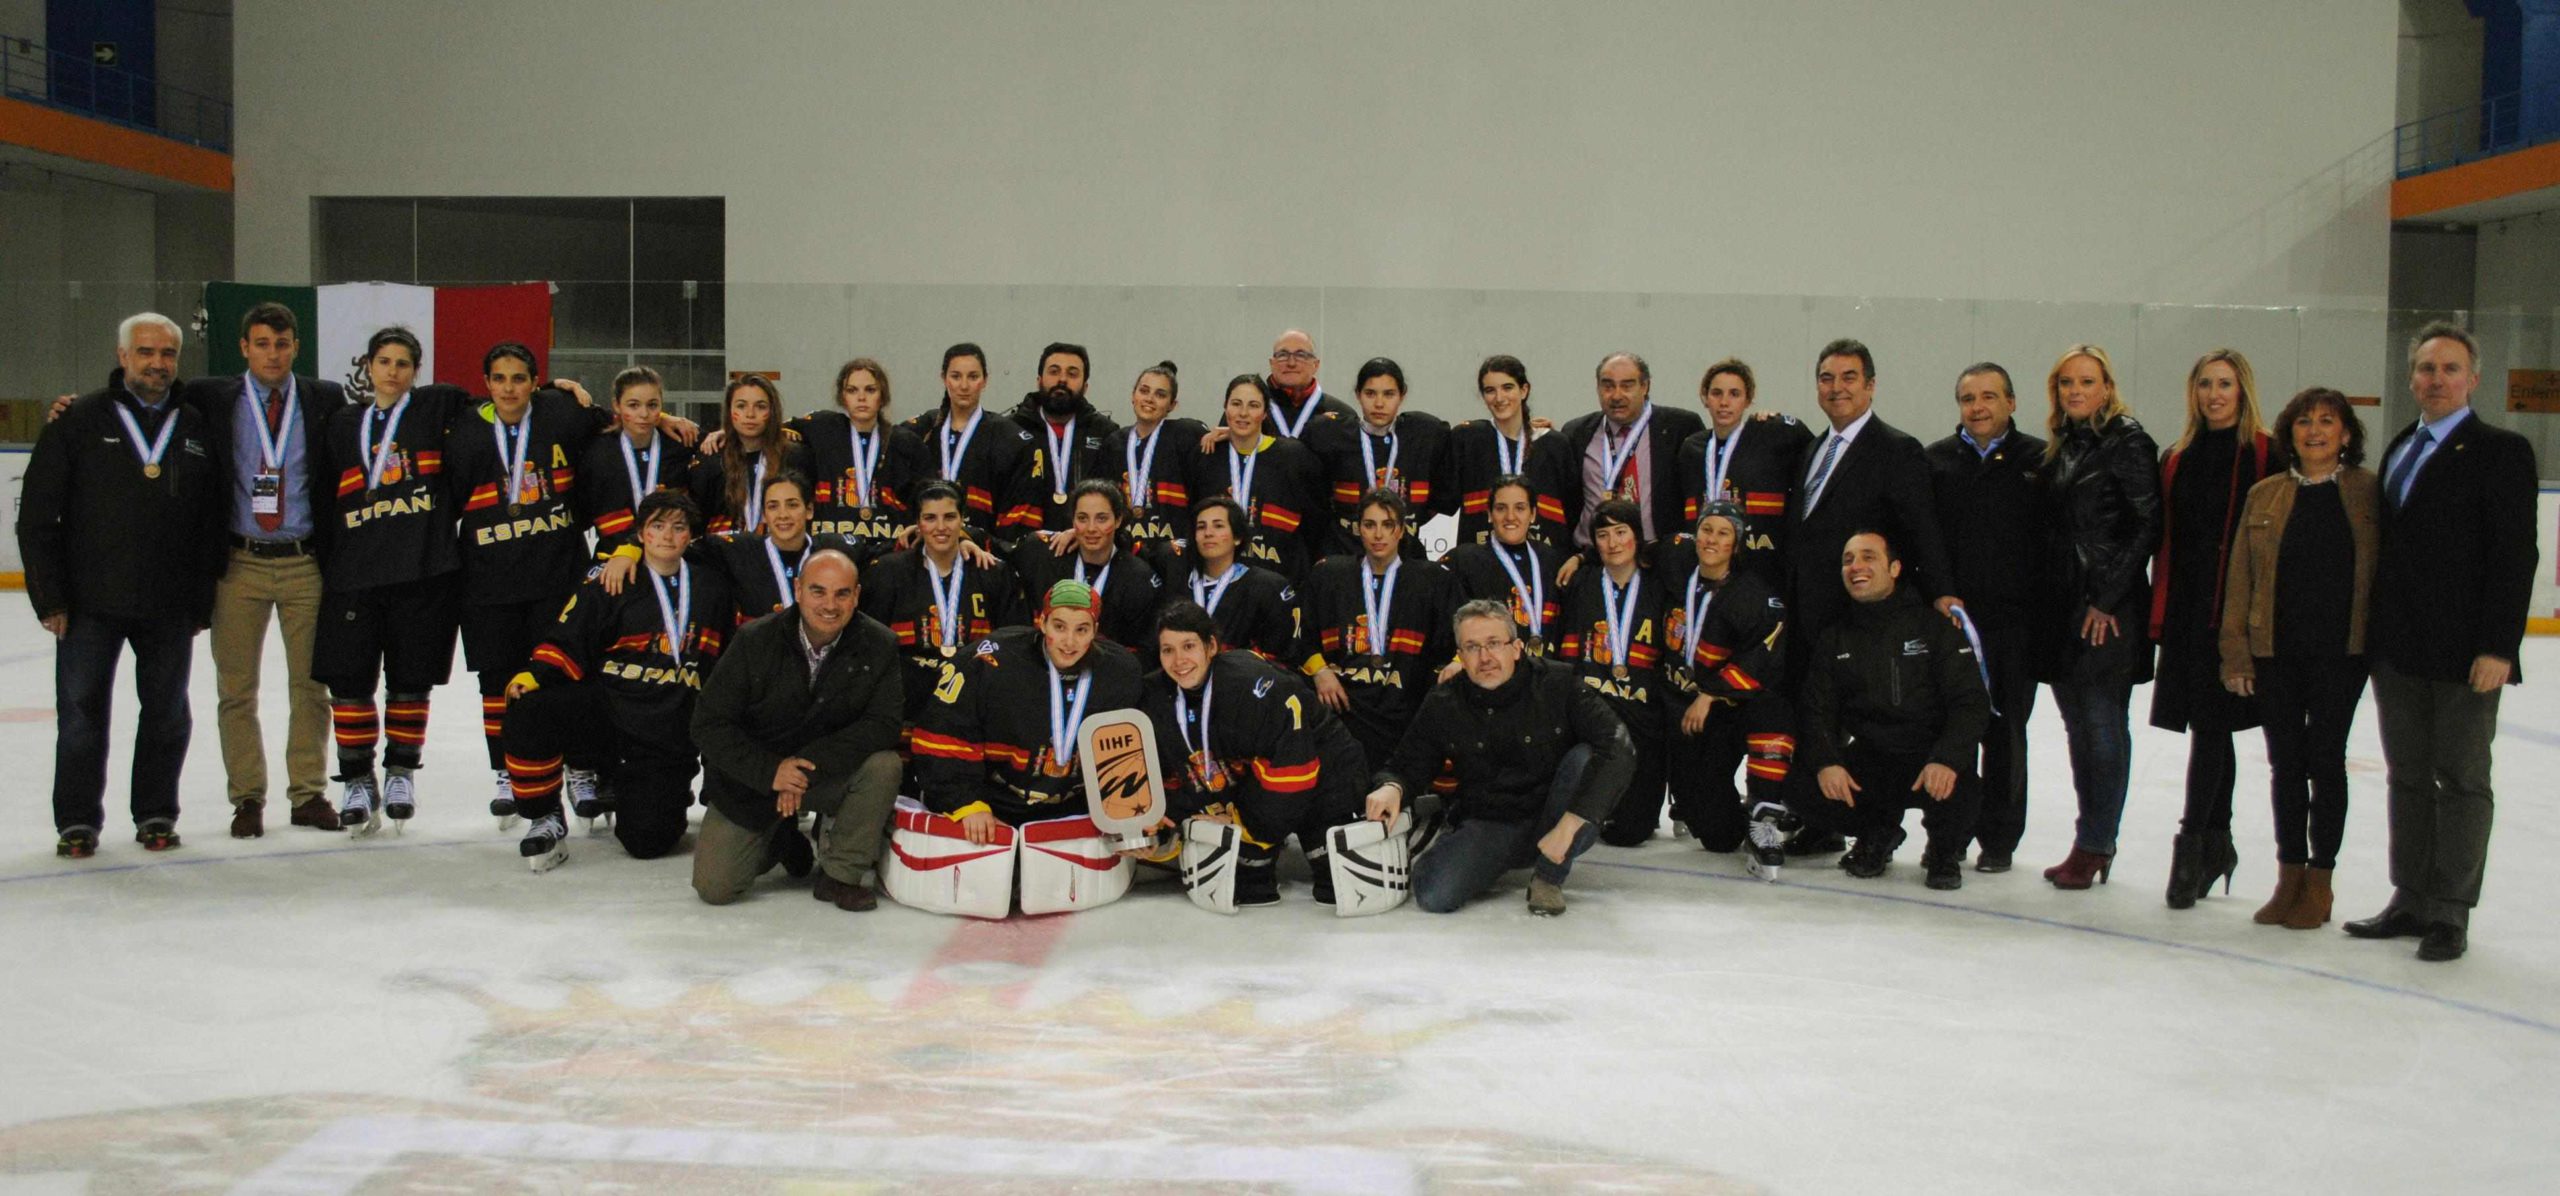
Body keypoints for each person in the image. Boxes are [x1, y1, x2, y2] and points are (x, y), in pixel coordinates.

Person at [2345, 322, 2540, 962]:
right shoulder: (2403, 444)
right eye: (2426, 369)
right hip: (2398, 651)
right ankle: (2410, 897)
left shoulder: (2501, 451)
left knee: (2460, 778)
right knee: (2406, 775)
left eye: (2450, 369)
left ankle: (2450, 910)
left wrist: (2498, 647)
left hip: (2465, 655)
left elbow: (2515, 558)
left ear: (2473, 379)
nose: (2436, 380)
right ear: (2411, 378)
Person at [19, 312, 227, 857]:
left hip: (169, 603)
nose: (158, 364)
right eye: (146, 353)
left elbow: (211, 521)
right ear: (122, 356)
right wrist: (50, 597)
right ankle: (77, 821)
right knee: (82, 714)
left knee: (166, 712)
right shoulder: (78, 419)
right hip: (89, 603)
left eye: (168, 355)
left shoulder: (197, 423)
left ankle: (157, 813)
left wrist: (201, 599)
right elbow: (38, 517)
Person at [2217, 387, 2380, 931]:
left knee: (2325, 761)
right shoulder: (2264, 496)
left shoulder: (2368, 493)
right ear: (2289, 435)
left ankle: (2320, 881)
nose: (2314, 431)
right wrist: (2236, 652)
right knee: (2286, 763)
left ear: (2347, 434)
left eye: (2327, 422)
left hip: (2342, 653)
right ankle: (2288, 877)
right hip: (2276, 652)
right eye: (2304, 422)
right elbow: (2240, 579)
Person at [500, 491, 734, 867]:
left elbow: (727, 658)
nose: (667, 536)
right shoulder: (611, 578)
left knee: (647, 841)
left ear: (690, 535)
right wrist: (535, 673)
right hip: (611, 710)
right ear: (640, 534)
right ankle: (544, 816)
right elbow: (571, 634)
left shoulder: (713, 586)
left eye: (678, 527)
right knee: (529, 707)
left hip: (668, 728)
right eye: (657, 526)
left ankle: (643, 790)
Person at [185, 301, 348, 838]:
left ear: (296, 347)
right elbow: (146, 399)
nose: (272, 354)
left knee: (311, 685)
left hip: (305, 562)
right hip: (239, 563)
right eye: (262, 344)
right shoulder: (212, 398)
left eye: (282, 345)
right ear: (244, 348)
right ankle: (247, 798)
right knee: (237, 689)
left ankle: (307, 793)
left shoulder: (324, 398)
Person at [1363, 599, 1636, 916]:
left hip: (1555, 813)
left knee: (1587, 758)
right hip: (1491, 821)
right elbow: (1407, 764)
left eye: (1494, 644)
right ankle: (1472, 845)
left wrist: (1569, 826)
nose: (1485, 657)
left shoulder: (1558, 683)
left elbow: (1619, 745)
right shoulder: (1444, 702)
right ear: (1460, 656)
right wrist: (1391, 787)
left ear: (1517, 648)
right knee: (1434, 895)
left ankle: (1549, 875)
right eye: (1472, 647)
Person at [449, 346, 618, 824]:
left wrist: (666, 418)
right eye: (499, 378)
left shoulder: (561, 412)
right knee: (497, 681)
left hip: (556, 576)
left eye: (519, 378)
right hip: (489, 581)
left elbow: (621, 420)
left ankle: (579, 768)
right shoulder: (463, 427)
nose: (509, 388)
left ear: (536, 380)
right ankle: (505, 770)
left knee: (567, 672)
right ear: (485, 381)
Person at [313, 327, 469, 835]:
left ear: (416, 371)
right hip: (356, 574)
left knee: (410, 680)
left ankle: (401, 770)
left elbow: (507, 405)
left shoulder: (436, 407)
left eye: (403, 363)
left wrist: (570, 391)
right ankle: (357, 778)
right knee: (350, 680)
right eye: (384, 361)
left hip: (422, 572)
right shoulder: (342, 423)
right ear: (368, 366)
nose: (393, 371)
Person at [691, 548, 906, 910]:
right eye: (818, 591)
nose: (830, 605)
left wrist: (803, 766)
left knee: (884, 765)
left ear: (856, 595)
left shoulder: (880, 643)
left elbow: (883, 724)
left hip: (824, 773)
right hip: (753, 780)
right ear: (798, 590)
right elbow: (708, 724)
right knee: (716, 888)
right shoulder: (754, 640)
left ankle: (839, 875)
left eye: (842, 593)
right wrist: (771, 772)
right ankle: (777, 841)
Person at [2032, 344, 2163, 890]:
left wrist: (2107, 599)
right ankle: (2089, 838)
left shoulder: (2127, 442)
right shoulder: (2064, 444)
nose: (2076, 391)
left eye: (2086, 381)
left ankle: (2096, 843)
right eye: (2066, 383)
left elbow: (2146, 524)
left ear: (2107, 387)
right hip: (2065, 608)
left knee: (2103, 729)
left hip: (2107, 612)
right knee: (2078, 729)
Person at [2149, 350, 2276, 909]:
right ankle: (2214, 843)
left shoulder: (2268, 453)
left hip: (2240, 616)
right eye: (2205, 383)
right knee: (2209, 726)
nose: (2215, 394)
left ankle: (2192, 843)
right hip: (2187, 612)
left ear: (2242, 389)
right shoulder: (2176, 457)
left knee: (2212, 727)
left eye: (2225, 384)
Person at [1145, 603, 1368, 906]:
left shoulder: (1250, 688)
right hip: (1262, 778)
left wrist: (1240, 821)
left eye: (1188, 646)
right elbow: (1192, 770)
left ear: (1211, 646)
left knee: (1345, 888)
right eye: (1167, 650)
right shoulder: (1157, 695)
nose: (1178, 660)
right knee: (1242, 888)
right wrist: (1166, 822)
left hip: (1327, 770)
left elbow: (1293, 776)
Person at [1923, 362, 2046, 873]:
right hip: (1952, 625)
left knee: (2005, 734)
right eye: (1968, 398)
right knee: (1951, 731)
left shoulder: (2039, 460)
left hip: (2014, 628)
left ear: (2011, 403)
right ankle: (1946, 835)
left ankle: (1999, 839)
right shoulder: (1936, 462)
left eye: (1989, 397)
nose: (1978, 407)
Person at [1782, 339, 1958, 685]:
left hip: (1859, 618)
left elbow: (1922, 529)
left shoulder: (1898, 450)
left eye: (1848, 377)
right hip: (1803, 620)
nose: (1836, 388)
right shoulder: (1812, 450)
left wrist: (1941, 591)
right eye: (1826, 378)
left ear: (1870, 385)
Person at [913, 580, 1146, 836]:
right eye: (1059, 627)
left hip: (1073, 810)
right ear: (1043, 622)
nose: (1070, 642)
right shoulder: (993, 660)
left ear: (1095, 631)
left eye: (1082, 630)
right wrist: (966, 802)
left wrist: (1129, 816)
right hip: (995, 804)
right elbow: (945, 723)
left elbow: (1128, 756)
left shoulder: (1121, 672)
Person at [1660, 503, 1793, 876]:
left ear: (1736, 543)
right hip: (1689, 709)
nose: (1711, 539)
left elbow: (1765, 657)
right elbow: (1631, 548)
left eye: (1723, 532)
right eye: (1706, 529)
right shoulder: (1676, 561)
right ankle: (1734, 814)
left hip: (1733, 706)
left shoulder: (1754, 595)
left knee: (1774, 710)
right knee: (1718, 836)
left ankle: (1764, 811)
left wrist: (1712, 693)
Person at [1297, 489, 1460, 773]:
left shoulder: (1430, 580)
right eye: (1369, 525)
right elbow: (1300, 635)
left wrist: (1457, 664)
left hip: (1404, 708)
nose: (1378, 534)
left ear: (1401, 530)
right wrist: (1320, 672)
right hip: (1344, 709)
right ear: (1358, 529)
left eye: (1387, 525)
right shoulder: (1328, 576)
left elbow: (1463, 634)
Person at [856, 481, 1026, 743]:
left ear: (963, 520)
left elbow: (1015, 644)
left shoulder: (992, 573)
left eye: (949, 517)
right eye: (930, 518)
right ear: (918, 524)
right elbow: (870, 648)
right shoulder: (888, 574)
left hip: (974, 705)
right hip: (906, 706)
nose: (941, 527)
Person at [1555, 499, 1673, 846]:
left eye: (1621, 532)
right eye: (1603, 535)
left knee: (1630, 833)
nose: (1613, 543)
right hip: (1595, 711)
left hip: (1644, 716)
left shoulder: (1658, 584)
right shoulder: (1583, 582)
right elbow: (1569, 653)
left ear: (1637, 536)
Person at [1676, 358, 1811, 581]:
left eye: (1734, 394)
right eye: (1716, 393)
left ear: (1748, 400)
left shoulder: (1772, 436)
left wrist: (1782, 421)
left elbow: (1812, 451)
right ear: (1705, 397)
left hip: (1760, 566)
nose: (1724, 402)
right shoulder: (1692, 448)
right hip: (1708, 566)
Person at [1555, 352, 1705, 551]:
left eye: (1627, 386)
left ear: (1645, 386)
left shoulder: (1681, 427)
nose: (1616, 395)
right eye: (1608, 386)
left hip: (1658, 556)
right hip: (1594, 556)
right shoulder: (1576, 432)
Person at [906, 342, 1044, 550]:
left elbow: (1017, 529)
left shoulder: (1011, 439)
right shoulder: (920, 432)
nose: (964, 386)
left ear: (985, 380)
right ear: (943, 378)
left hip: (981, 556)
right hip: (922, 550)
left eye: (973, 377)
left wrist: (984, 543)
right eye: (956, 376)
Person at [1310, 357, 1450, 556]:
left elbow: (1443, 494)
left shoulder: (1426, 433)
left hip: (1405, 554)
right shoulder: (1331, 433)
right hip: (1346, 551)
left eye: (1389, 394)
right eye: (1370, 393)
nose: (1379, 403)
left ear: (1402, 395)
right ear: (1358, 395)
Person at [1009, 479, 1165, 656]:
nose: (1091, 528)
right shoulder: (1044, 553)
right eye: (1082, 518)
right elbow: (997, 554)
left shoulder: (1139, 578)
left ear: (1118, 520)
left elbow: (1145, 652)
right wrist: (969, 542)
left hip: (1104, 678)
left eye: (1101, 518)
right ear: (1072, 520)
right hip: (1043, 673)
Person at [1201, 374, 1330, 583]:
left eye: (1253, 405)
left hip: (1280, 581)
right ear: (1225, 408)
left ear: (1265, 412)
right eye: (1236, 404)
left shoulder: (1293, 457)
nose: (1243, 413)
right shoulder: (1209, 455)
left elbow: (1316, 521)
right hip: (1220, 582)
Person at [799, 357, 928, 564]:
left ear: (882, 396)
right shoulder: (822, 431)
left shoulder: (905, 443)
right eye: (852, 390)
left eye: (870, 390)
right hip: (834, 553)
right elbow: (772, 431)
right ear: (842, 397)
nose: (861, 398)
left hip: (890, 553)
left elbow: (927, 498)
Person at [578, 366, 698, 560]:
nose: (644, 414)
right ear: (616, 405)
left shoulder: (679, 445)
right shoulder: (598, 453)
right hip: (615, 559)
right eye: (633, 405)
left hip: (670, 558)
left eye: (652, 405)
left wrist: (719, 434)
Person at [1441, 476, 1567, 660]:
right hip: (1487, 672)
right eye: (1501, 508)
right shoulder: (1464, 560)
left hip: (1543, 675)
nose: (1510, 517)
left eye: (1520, 508)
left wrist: (1579, 558)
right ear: (1490, 514)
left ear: (1532, 514)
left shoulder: (1551, 560)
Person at [1449, 356, 1570, 547]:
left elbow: (1574, 510)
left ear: (1524, 390)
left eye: (1507, 388)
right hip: (1482, 562)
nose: (1499, 398)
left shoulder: (1555, 444)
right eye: (1490, 390)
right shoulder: (1466, 439)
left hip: (1542, 564)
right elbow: (1443, 500)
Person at [1157, 497, 1298, 661]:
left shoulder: (1265, 587)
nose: (1208, 533)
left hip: (1237, 682)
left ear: (1237, 537)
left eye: (1218, 526)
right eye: (1201, 527)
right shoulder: (1175, 575)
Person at [1006, 342, 1123, 534]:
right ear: (1039, 380)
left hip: (1085, 545)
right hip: (1023, 547)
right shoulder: (1011, 430)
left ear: (1085, 386)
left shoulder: (1106, 433)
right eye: (1054, 371)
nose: (1062, 380)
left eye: (1072, 373)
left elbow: (1115, 501)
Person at [1099, 361, 1208, 560]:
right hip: (1126, 555)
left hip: (1174, 554)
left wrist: (1221, 434)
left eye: (1160, 394)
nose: (1149, 399)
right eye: (1144, 391)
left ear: (1172, 405)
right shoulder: (1114, 443)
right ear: (1133, 395)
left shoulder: (1185, 435)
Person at [688, 375, 812, 536]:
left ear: (772, 411)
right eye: (741, 406)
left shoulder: (795, 457)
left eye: (760, 406)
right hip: (724, 556)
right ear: (729, 410)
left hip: (780, 554)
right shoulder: (710, 460)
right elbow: (696, 523)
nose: (750, 414)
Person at [1261, 329, 1359, 441]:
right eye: (1283, 355)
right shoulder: (1253, 412)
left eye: (1301, 355)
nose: (1291, 363)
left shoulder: (1342, 414)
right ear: (1271, 363)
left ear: (1315, 365)